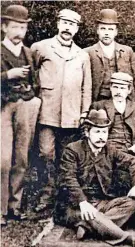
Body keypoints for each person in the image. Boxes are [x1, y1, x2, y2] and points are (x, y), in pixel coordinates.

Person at [54, 109, 135, 246]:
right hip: (73, 206)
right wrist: (82, 202)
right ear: (87, 133)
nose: (101, 136)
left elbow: (133, 162)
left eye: (104, 132)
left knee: (130, 204)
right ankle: (128, 239)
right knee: (92, 214)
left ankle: (87, 227)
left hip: (101, 202)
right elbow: (68, 178)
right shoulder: (72, 150)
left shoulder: (110, 149)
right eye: (97, 132)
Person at [89, 72, 135, 237]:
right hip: (111, 150)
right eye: (115, 86)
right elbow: (92, 132)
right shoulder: (99, 106)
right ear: (110, 88)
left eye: (122, 87)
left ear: (129, 90)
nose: (118, 91)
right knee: (127, 174)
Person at [31, 9, 92, 212]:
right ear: (58, 24)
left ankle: (65, 196)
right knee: (46, 153)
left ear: (76, 29)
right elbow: (31, 76)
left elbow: (87, 87)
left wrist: (84, 112)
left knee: (67, 155)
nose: (67, 27)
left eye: (72, 24)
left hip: (72, 114)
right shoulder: (41, 48)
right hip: (46, 112)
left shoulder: (82, 55)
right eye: (64, 23)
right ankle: (47, 194)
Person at [1, 4, 41, 225]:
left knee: (21, 158)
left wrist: (34, 98)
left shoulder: (28, 52)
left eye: (23, 28)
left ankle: (15, 206)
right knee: (3, 160)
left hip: (25, 107)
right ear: (4, 27)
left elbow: (35, 81)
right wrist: (8, 75)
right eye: (15, 27)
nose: (19, 33)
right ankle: (0, 209)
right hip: (3, 108)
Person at [86, 9, 135, 104]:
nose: (106, 33)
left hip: (125, 102)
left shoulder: (127, 51)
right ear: (97, 30)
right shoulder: (88, 52)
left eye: (110, 29)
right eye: (103, 28)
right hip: (98, 102)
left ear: (116, 32)